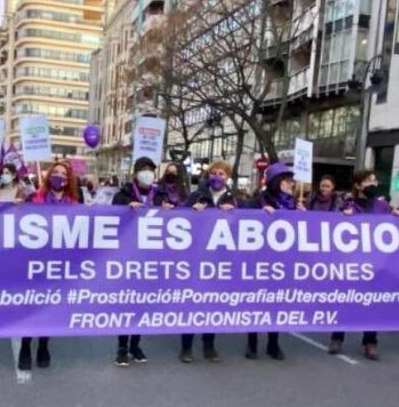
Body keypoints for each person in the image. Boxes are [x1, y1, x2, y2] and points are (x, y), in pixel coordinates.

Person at [15, 161, 80, 371]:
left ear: (69, 179)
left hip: (59, 263)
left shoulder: (74, 204)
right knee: (30, 305)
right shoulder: (33, 199)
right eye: (56, 173)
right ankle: (25, 345)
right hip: (34, 262)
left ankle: (43, 345)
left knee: (49, 306)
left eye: (63, 174)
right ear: (49, 176)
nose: (59, 177)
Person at [329, 171, 397, 360]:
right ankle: (337, 336)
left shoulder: (383, 206)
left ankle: (370, 341)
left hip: (375, 263)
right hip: (351, 262)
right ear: (358, 185)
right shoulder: (347, 205)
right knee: (345, 299)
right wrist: (342, 217)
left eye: (375, 180)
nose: (372, 184)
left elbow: (395, 225)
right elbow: (330, 226)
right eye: (368, 181)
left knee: (372, 302)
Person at [111, 157, 168, 367]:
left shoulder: (160, 195)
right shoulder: (123, 194)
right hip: (128, 256)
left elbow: (180, 211)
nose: (147, 173)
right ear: (135, 174)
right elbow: (113, 211)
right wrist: (128, 206)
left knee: (142, 304)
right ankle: (122, 346)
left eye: (150, 170)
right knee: (127, 302)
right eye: (143, 170)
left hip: (151, 258)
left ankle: (136, 344)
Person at [181, 161, 239, 363]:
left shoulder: (234, 198)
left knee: (212, 304)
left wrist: (234, 212)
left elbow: (248, 221)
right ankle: (186, 347)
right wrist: (191, 210)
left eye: (221, 173)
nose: (217, 176)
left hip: (219, 260)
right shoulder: (196, 195)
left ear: (227, 177)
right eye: (213, 173)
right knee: (192, 303)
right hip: (196, 258)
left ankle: (209, 345)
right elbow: (179, 220)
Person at [246, 162, 302, 360]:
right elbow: (241, 223)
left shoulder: (294, 204)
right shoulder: (258, 201)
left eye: (291, 181)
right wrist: (260, 215)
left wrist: (304, 217)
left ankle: (273, 343)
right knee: (256, 303)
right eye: (287, 181)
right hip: (259, 261)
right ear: (276, 181)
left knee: (277, 303)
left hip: (283, 263)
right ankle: (251, 344)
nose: (291, 184)